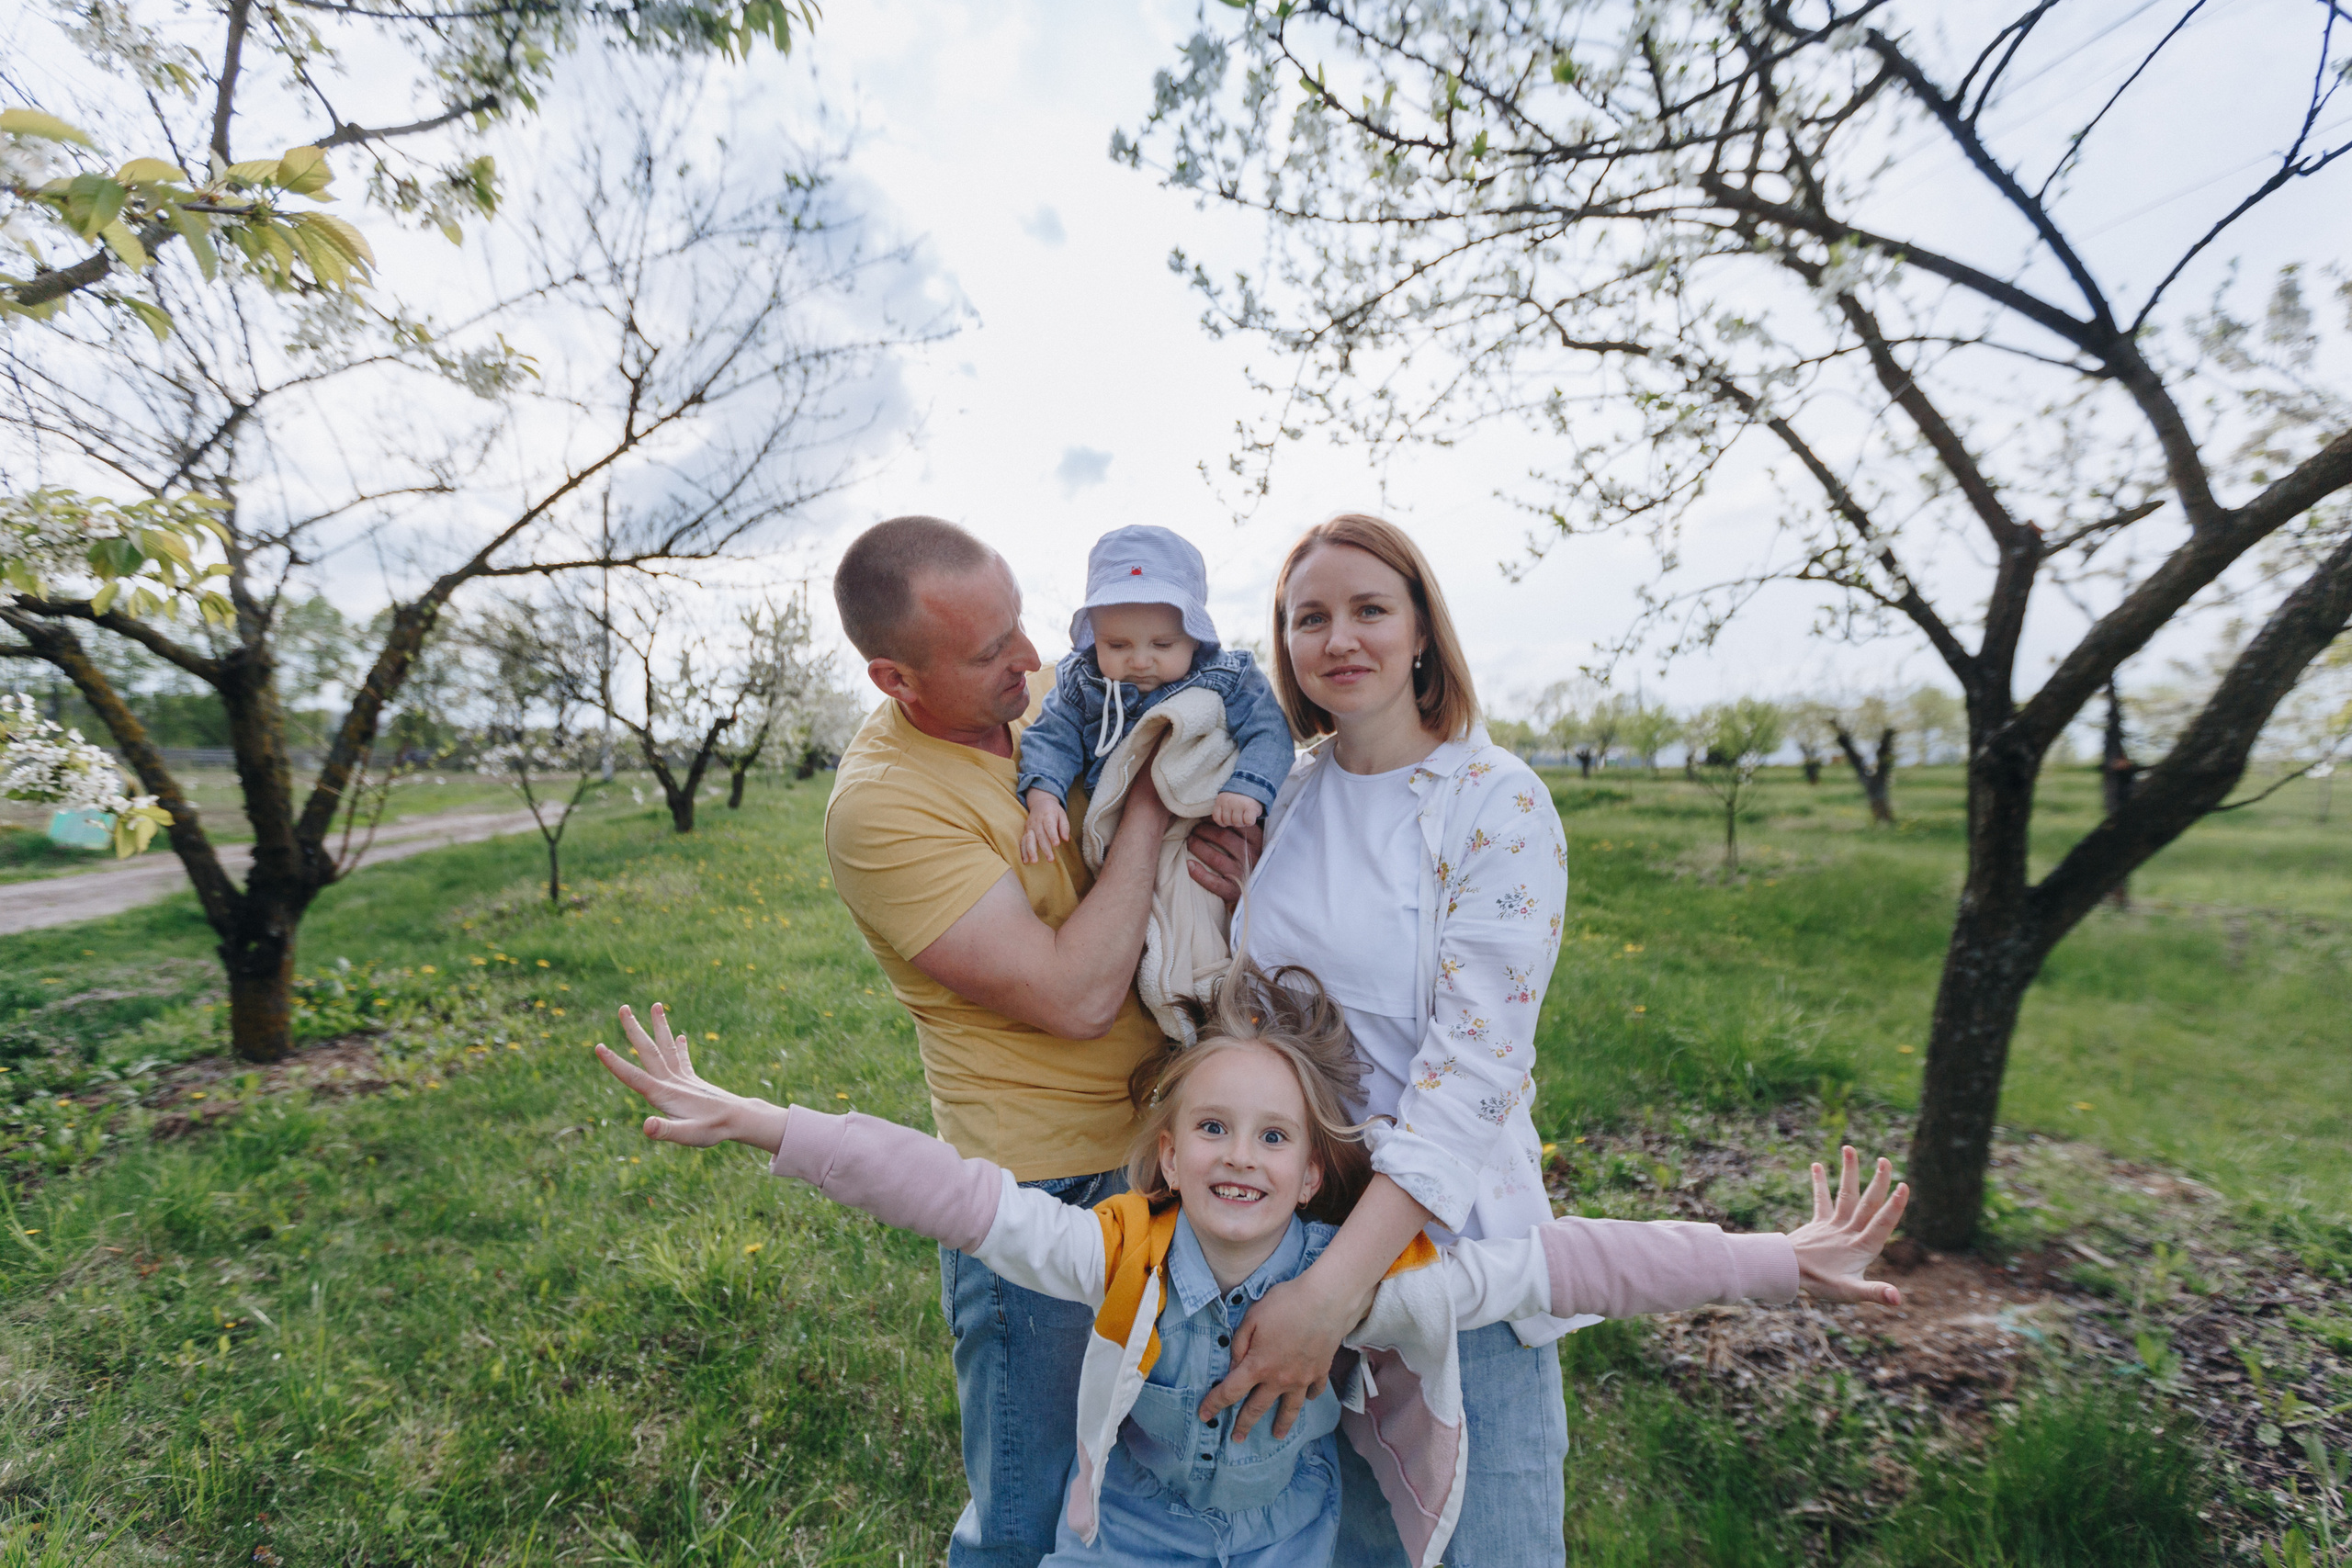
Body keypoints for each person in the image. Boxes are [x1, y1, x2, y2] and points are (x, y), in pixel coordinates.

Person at [591, 972, 1909, 1568]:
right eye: (1213, 1128)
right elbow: (958, 1195)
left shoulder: (1367, 1286)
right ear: (1166, 1153)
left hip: (1287, 1543)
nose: (1240, 1154)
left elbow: (1564, 1265)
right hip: (1131, 1537)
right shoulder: (1112, 1251)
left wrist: (1776, 1262)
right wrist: (765, 1121)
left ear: (1313, 1166)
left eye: (1273, 1136)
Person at [1183, 513, 1595, 1563]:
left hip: (1453, 1266)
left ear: (1421, 631)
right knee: (1349, 1544)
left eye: (1369, 609)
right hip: (1303, 1236)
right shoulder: (1290, 795)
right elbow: (1279, 1013)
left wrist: (1331, 1296)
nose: (1338, 639)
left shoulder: (1493, 802)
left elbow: (1470, 1079)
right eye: (1308, 618)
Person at [820, 515, 1173, 1567]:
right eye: (990, 652)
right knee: (1030, 1502)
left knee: (1150, 1475)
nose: (1031, 655)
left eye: (1021, 623)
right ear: (895, 679)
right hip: (1039, 1187)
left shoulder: (1051, 692)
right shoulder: (881, 808)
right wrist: (1153, 804)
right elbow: (1074, 996)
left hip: (1170, 1149)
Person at [1015, 525, 1294, 867]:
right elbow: (1051, 739)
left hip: (1208, 818)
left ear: (1194, 637)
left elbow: (1269, 731)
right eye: (1117, 645)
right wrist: (1044, 798)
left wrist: (1247, 786)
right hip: (1117, 835)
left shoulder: (1228, 676)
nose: (1140, 661)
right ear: (1096, 637)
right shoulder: (1082, 681)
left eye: (1162, 644)